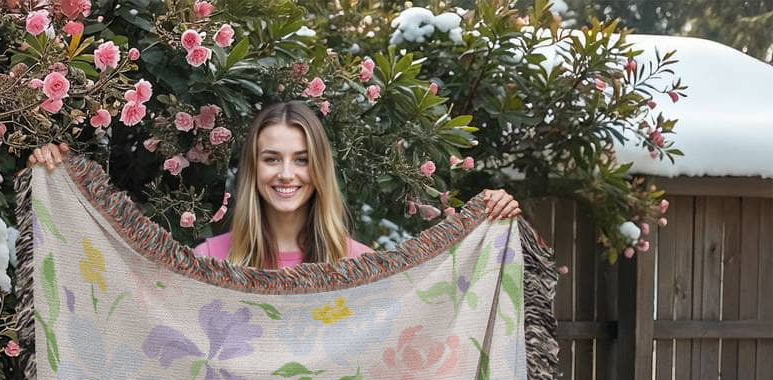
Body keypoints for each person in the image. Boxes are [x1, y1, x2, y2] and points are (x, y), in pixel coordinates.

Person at [28, 100, 520, 269]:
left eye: (301, 160)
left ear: (319, 170)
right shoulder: (208, 262)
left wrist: (490, 221)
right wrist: (61, 187)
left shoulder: (361, 267)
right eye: (272, 159)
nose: (286, 174)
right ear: (253, 170)